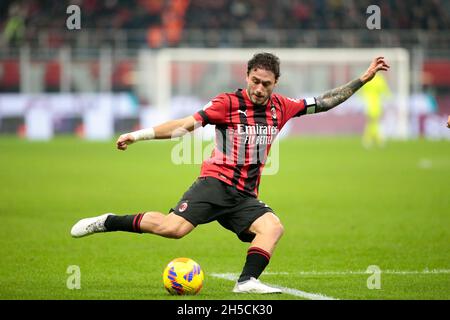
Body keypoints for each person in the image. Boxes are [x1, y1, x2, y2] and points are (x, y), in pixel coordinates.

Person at [71, 53, 390, 293]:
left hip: (244, 196)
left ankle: (247, 281)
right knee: (173, 229)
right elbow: (183, 126)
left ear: (275, 83)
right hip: (214, 184)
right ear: (248, 76)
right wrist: (138, 135)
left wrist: (363, 79)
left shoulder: (283, 106)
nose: (260, 88)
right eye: (255, 80)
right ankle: (108, 221)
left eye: (266, 83)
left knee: (273, 228)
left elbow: (324, 101)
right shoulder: (227, 103)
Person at [359, 73, 391, 148]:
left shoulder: (367, 77)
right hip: (376, 103)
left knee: (371, 122)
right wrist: (388, 98)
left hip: (368, 103)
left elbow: (361, 91)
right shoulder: (380, 79)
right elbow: (385, 91)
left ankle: (368, 139)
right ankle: (377, 139)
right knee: (375, 122)